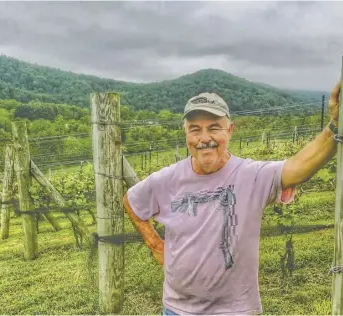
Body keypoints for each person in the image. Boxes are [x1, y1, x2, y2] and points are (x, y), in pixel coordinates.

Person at [122, 82, 341, 315]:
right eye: (195, 129)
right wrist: (156, 245)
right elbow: (132, 200)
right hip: (177, 309)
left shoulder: (251, 175)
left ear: (230, 130)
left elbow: (298, 168)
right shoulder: (167, 179)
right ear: (185, 133)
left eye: (214, 127)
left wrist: (335, 125)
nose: (204, 138)